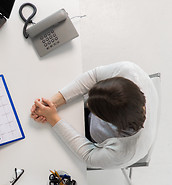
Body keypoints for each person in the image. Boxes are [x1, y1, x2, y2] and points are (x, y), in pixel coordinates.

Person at [30, 61, 159, 169]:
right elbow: (94, 76)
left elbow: (88, 156)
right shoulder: (129, 71)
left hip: (97, 141)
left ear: (109, 121)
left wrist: (53, 118)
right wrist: (52, 103)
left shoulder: (124, 152)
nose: (87, 104)